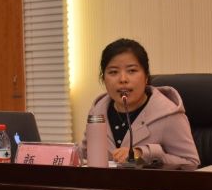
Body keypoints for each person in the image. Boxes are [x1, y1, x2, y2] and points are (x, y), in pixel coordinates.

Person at [80, 38, 200, 170]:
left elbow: (191, 163)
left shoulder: (168, 114)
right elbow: (85, 155)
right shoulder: (98, 111)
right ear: (103, 78)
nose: (123, 79)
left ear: (146, 76)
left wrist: (144, 154)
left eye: (132, 71)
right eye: (113, 72)